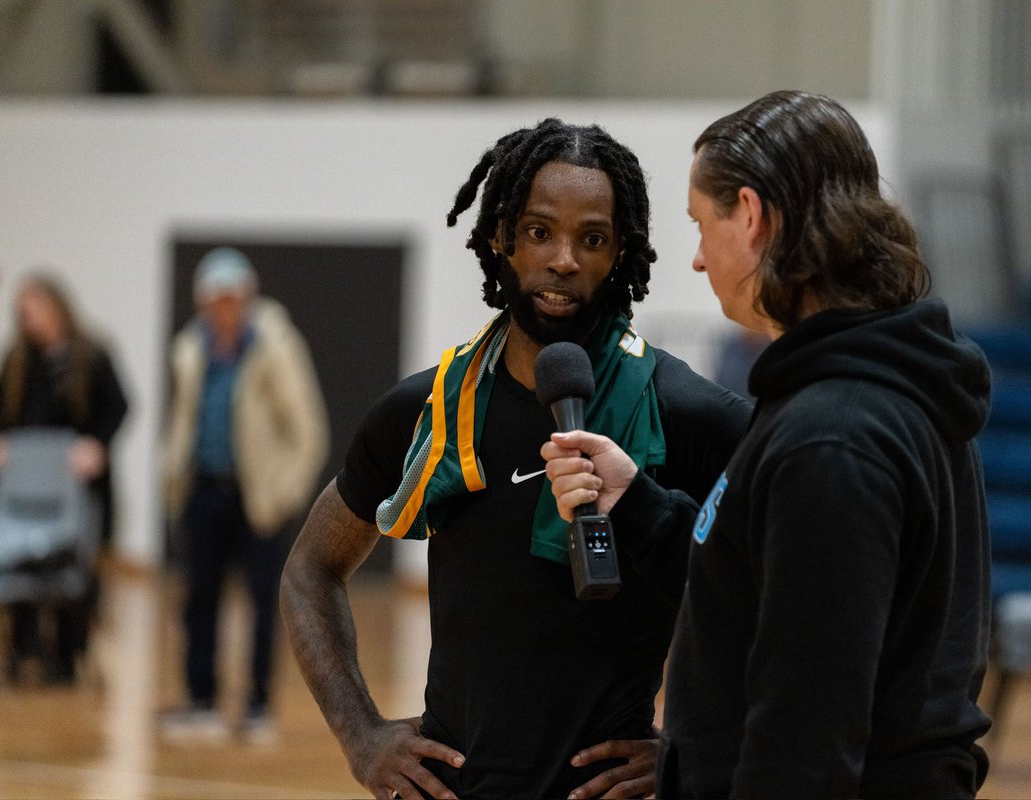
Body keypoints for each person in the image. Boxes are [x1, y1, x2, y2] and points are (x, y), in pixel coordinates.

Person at [281, 118, 750, 800]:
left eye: (591, 239)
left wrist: (699, 747)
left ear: (619, 251)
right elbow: (310, 570)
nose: (564, 259)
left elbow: (782, 596)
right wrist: (361, 735)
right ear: (500, 235)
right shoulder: (432, 409)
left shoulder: (688, 413)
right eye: (539, 231)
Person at [544, 91, 994, 798]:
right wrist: (635, 505)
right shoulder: (888, 390)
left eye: (701, 225)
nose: (696, 260)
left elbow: (807, 733)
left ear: (751, 216)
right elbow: (765, 598)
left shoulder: (832, 436)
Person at [161, 247, 328, 742]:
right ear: (203, 302)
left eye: (233, 296)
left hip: (256, 499)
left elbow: (308, 431)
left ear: (249, 296)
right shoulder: (192, 347)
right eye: (216, 298)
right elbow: (184, 420)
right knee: (199, 601)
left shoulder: (275, 345)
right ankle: (201, 703)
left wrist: (282, 496)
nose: (225, 306)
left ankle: (257, 707)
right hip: (203, 492)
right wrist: (170, 475)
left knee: (262, 602)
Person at [0, 274, 129, 684]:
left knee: (70, 571)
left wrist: (95, 445)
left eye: (34, 310)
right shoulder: (15, 359)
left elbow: (117, 406)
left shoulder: (91, 355)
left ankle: (67, 654)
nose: (27, 321)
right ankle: (20, 650)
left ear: (57, 308)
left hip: (75, 491)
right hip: (23, 494)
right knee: (20, 566)